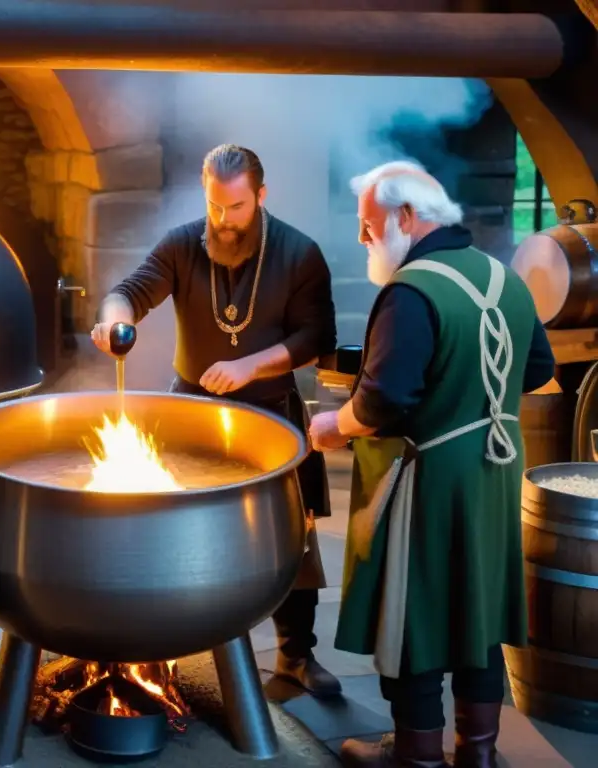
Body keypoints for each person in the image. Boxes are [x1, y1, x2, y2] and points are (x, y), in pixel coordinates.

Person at [308, 161, 555, 767]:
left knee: (413, 614)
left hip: (431, 479)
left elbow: (385, 397)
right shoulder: (504, 277)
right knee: (479, 612)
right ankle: (479, 753)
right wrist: (476, 395)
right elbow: (537, 370)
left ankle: (416, 758)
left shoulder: (412, 289)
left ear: (407, 217)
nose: (365, 242)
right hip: (494, 475)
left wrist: (331, 428)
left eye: (369, 228)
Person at [92, 143, 342, 697]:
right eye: (214, 206)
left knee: (291, 538)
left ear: (260, 195)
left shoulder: (298, 253)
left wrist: (251, 364)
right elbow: (131, 291)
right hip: (193, 408)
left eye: (236, 208)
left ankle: (296, 657)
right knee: (182, 530)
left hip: (272, 412)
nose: (224, 221)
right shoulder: (184, 243)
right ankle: (170, 648)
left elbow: (315, 337)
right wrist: (113, 319)